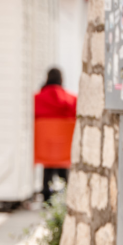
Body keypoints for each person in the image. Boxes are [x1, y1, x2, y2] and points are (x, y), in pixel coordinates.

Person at [34, 67, 77, 202]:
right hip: (64, 151)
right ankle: (66, 197)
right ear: (61, 80)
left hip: (44, 150)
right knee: (62, 167)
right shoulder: (72, 100)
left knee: (49, 162)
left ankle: (46, 196)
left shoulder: (36, 99)